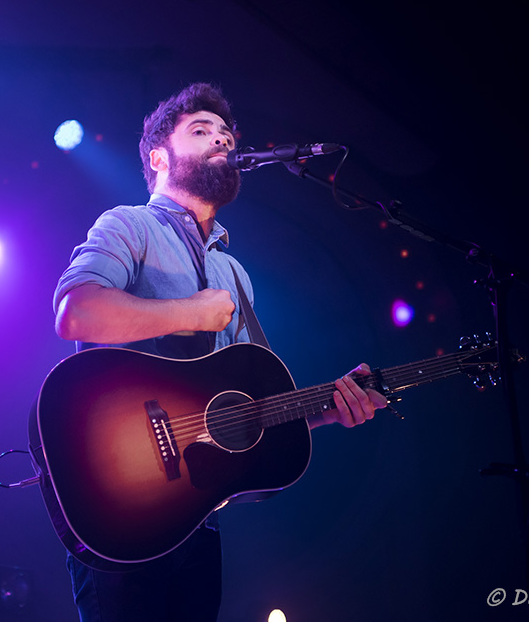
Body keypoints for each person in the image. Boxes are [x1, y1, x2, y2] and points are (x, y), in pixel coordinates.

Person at [52, 82, 387, 622]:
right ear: (159, 158)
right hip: (119, 500)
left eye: (226, 136)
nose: (222, 142)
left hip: (197, 515)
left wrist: (324, 410)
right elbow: (77, 311)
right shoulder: (128, 224)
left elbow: (248, 409)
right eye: (201, 131)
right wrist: (190, 312)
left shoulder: (235, 274)